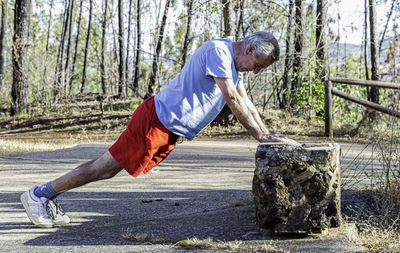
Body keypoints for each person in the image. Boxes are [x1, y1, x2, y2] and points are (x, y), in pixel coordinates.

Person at [20, 31, 299, 228]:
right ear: (250, 50)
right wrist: (259, 136)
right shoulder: (219, 51)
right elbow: (233, 100)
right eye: (258, 65)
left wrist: (267, 134)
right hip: (155, 121)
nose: (256, 72)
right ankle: (40, 194)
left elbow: (247, 103)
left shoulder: (234, 66)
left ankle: (47, 195)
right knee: (104, 168)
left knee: (105, 168)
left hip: (166, 127)